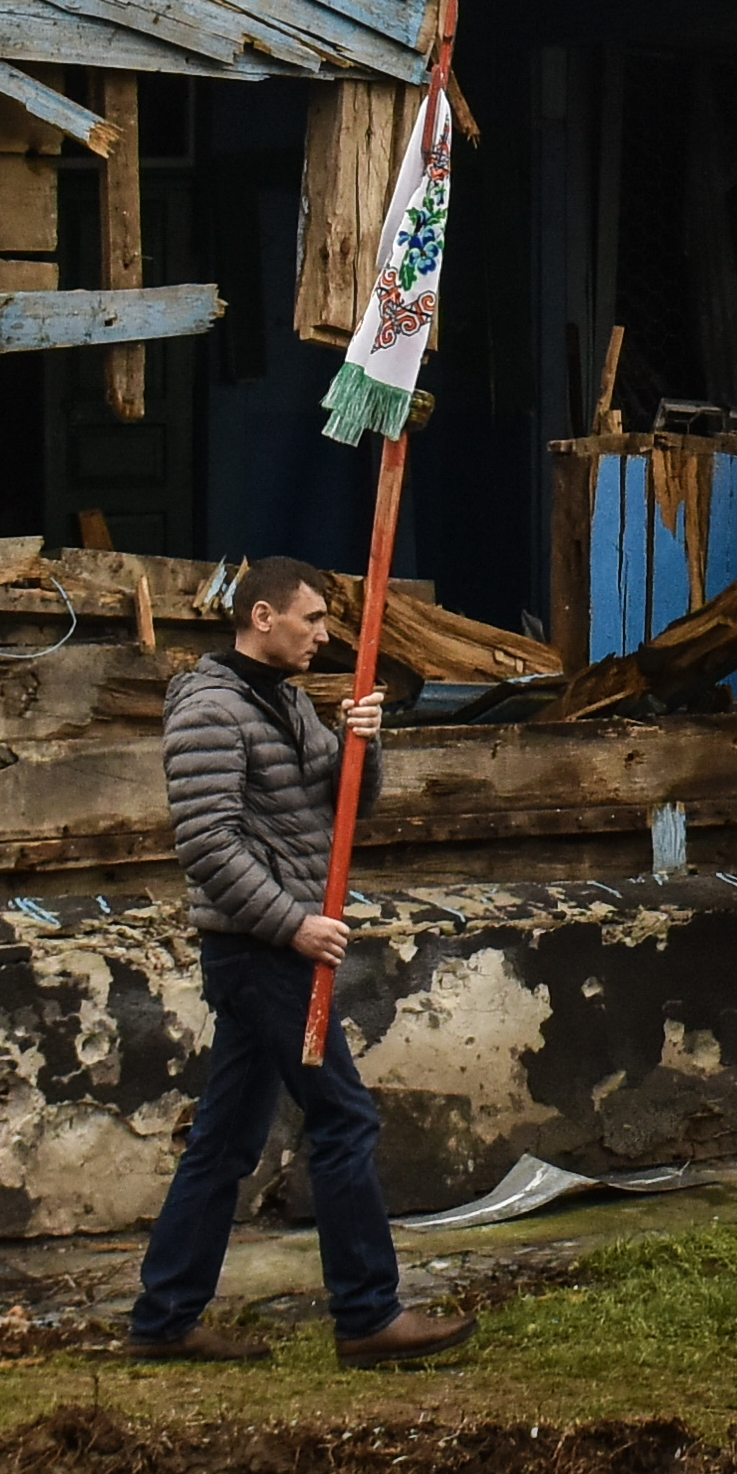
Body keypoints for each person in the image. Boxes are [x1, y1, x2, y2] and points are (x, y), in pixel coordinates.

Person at [125, 556, 470, 1367]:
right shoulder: (211, 709)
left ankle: (164, 1318)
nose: (324, 634)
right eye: (312, 620)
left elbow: (335, 803)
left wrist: (361, 742)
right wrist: (294, 927)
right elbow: (209, 846)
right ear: (262, 619)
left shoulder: (278, 699)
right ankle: (367, 1316)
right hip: (260, 952)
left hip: (273, 948)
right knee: (343, 1116)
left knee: (225, 1139)